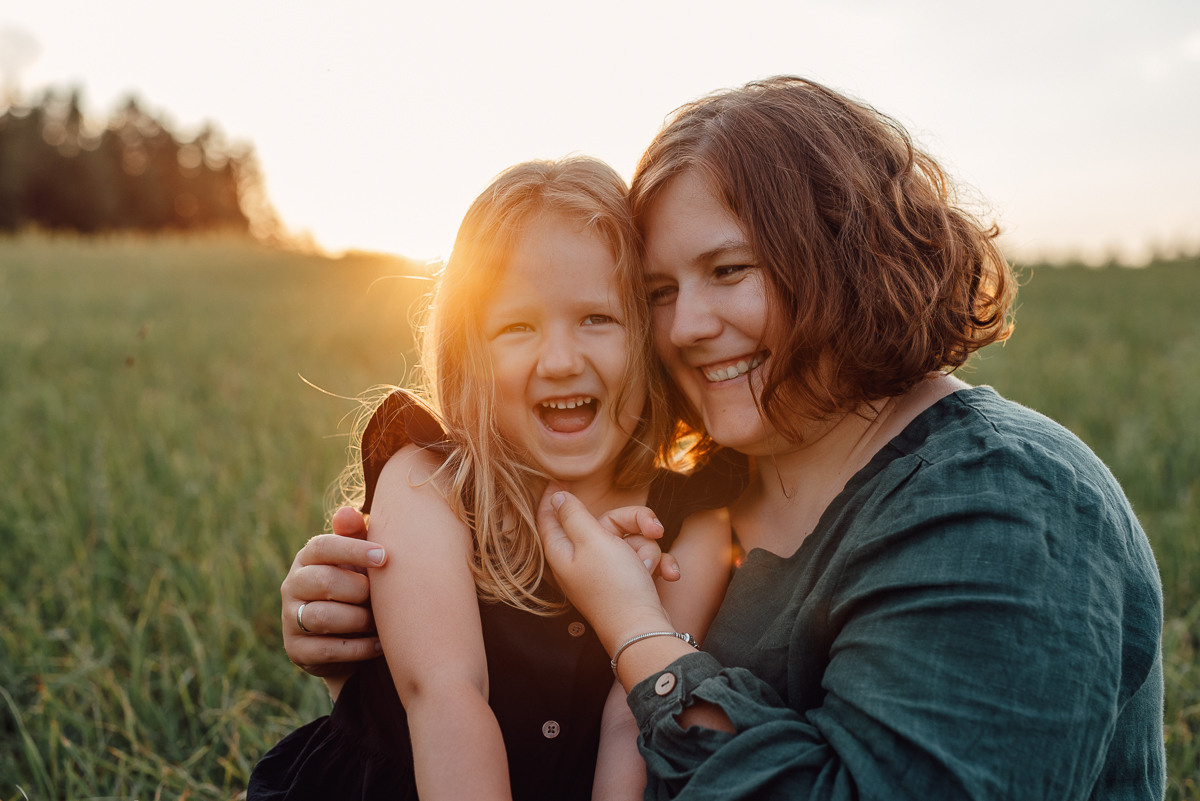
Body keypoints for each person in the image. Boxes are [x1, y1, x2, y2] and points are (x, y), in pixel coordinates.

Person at [278, 78, 1166, 799]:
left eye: (729, 270)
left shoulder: (1005, 509)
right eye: (658, 293)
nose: (687, 326)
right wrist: (369, 650)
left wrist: (633, 626)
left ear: (844, 255)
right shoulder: (726, 472)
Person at [250, 157, 739, 801]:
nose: (560, 360)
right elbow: (445, 697)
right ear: (469, 354)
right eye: (517, 326)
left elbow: (634, 720)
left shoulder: (691, 520)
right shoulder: (430, 479)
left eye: (597, 318)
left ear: (648, 339)